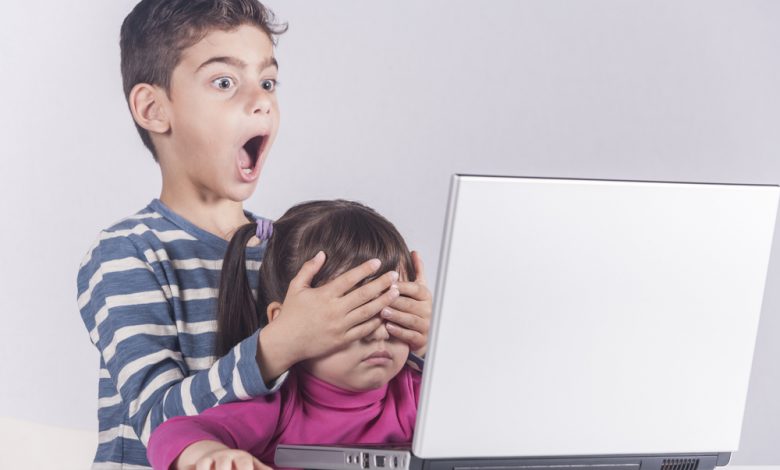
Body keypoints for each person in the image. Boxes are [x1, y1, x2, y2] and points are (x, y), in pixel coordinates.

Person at [76, 1, 432, 468]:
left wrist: (419, 344)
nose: (261, 99)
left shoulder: (289, 247)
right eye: (224, 82)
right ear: (153, 108)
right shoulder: (127, 254)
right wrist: (280, 344)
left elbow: (336, 396)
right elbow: (156, 420)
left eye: (267, 81)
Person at [147, 200, 422, 470]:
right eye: (355, 315)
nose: (379, 334)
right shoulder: (280, 405)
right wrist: (211, 455)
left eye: (393, 310)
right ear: (284, 322)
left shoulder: (414, 393)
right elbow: (171, 433)